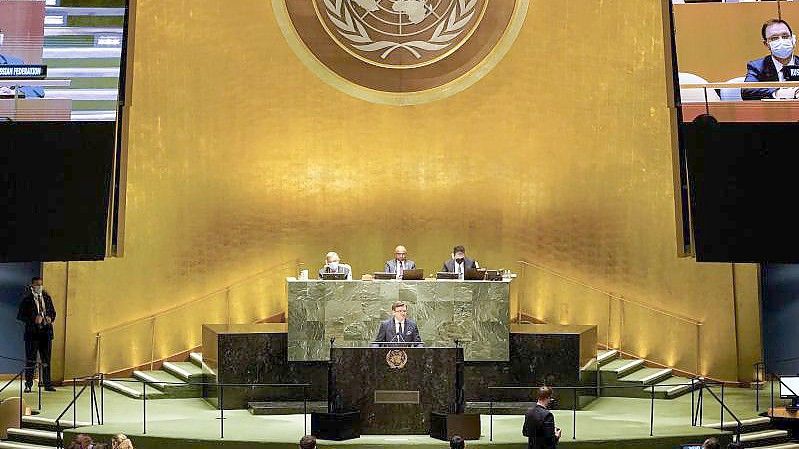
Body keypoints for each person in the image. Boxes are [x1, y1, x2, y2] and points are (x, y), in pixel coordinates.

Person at [742, 19, 799, 100]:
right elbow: (747, 91)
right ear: (766, 44)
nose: (781, 41)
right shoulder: (757, 67)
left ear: (793, 39)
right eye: (774, 38)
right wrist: (778, 93)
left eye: (785, 36)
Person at [17, 276, 56, 392]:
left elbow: (53, 312)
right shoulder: (27, 299)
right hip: (32, 334)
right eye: (37, 284)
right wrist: (34, 319)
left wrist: (50, 318)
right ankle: (28, 384)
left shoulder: (47, 297)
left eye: (41, 284)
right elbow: (20, 316)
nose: (39, 287)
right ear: (32, 286)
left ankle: (47, 384)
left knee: (46, 359)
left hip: (46, 333)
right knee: (31, 359)